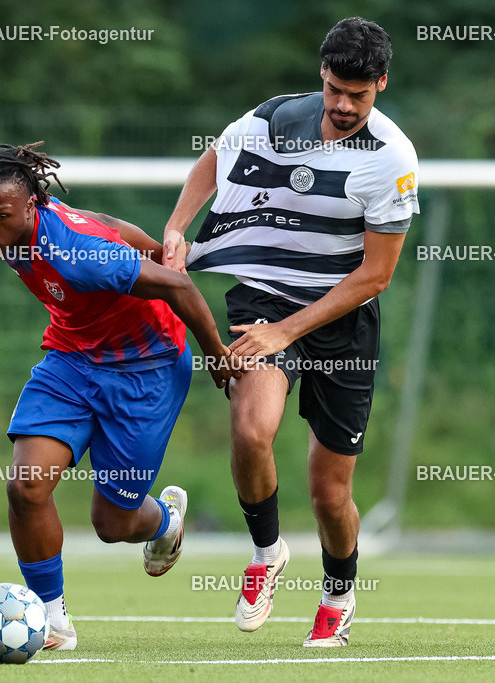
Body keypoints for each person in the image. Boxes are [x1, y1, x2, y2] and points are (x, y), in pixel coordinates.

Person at [161, 17, 420, 647]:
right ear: (322, 77)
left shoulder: (392, 158)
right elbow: (216, 158)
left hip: (341, 317)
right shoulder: (274, 118)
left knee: (330, 495)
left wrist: (286, 333)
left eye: (358, 94)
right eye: (334, 89)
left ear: (381, 84)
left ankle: (338, 594)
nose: (342, 105)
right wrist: (176, 227)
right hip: (263, 294)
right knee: (252, 430)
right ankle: (266, 552)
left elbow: (376, 276)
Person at [0, 142, 236, 651]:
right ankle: (51, 619)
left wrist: (217, 353)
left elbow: (179, 288)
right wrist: (147, 246)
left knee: (113, 524)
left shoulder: (77, 254)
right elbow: (98, 217)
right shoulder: (26, 224)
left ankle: (165, 520)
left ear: (29, 207)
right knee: (25, 486)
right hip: (72, 359)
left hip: (145, 370)